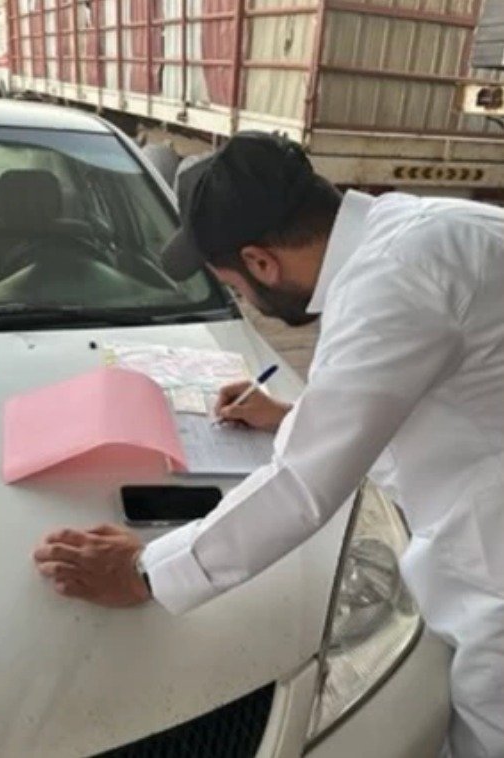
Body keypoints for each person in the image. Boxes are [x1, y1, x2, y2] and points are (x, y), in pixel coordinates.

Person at [33, 132, 503, 757]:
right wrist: (292, 415)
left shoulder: (391, 284)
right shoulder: (433, 228)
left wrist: (146, 572)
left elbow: (302, 485)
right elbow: (431, 385)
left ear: (260, 263)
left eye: (234, 288)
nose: (246, 301)